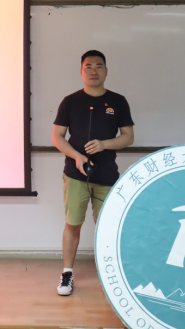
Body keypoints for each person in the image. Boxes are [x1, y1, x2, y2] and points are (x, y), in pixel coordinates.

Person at [52, 50, 135, 296]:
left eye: (99, 66)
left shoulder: (118, 101)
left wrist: (104, 144)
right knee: (72, 224)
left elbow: (128, 137)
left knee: (107, 227)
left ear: (106, 71)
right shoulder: (70, 101)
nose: (94, 71)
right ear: (81, 72)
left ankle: (110, 274)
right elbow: (57, 137)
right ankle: (67, 273)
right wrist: (76, 156)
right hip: (75, 175)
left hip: (107, 175)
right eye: (88, 66)